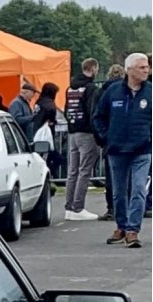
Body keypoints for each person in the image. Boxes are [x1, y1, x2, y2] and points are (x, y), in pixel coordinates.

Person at [93, 52, 152, 248]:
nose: (147, 71)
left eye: (147, 67)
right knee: (118, 192)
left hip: (142, 149)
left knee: (138, 190)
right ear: (129, 70)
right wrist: (105, 138)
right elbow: (98, 117)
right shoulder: (112, 91)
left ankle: (133, 230)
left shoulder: (150, 92)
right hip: (117, 150)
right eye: (142, 67)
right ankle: (121, 226)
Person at [64, 58, 101, 220]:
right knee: (84, 170)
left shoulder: (70, 88)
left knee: (73, 171)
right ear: (93, 69)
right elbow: (92, 111)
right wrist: (98, 132)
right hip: (86, 132)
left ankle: (69, 207)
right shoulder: (91, 88)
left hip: (72, 131)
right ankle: (78, 207)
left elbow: (66, 109)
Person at [95, 64, 127, 220]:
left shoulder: (103, 91)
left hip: (110, 139)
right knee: (129, 177)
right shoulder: (126, 90)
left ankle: (111, 208)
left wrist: (103, 136)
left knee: (111, 175)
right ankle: (127, 209)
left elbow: (97, 114)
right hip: (126, 138)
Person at [30, 82, 59, 160]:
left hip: (35, 132)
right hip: (46, 134)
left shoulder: (39, 102)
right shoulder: (50, 104)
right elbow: (51, 120)